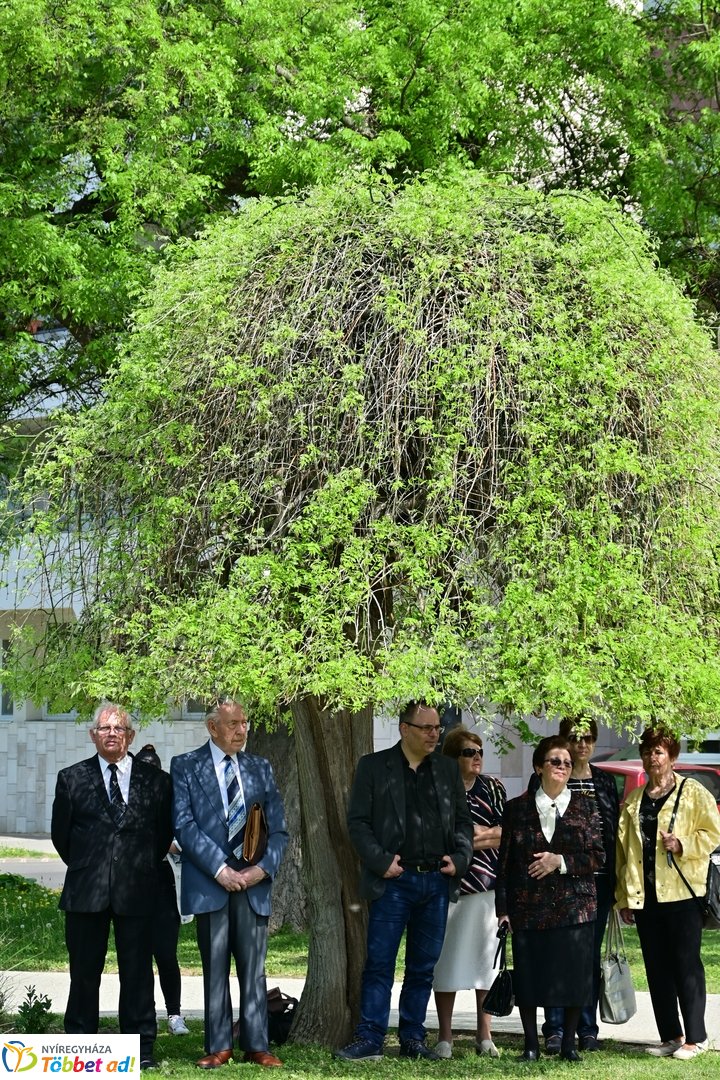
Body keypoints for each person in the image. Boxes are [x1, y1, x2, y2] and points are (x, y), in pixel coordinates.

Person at [334, 701, 473, 1063]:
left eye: (437, 728)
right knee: (380, 963)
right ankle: (370, 1038)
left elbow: (463, 823)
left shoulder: (446, 769)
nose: (434, 734)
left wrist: (459, 860)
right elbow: (358, 823)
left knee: (422, 968)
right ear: (404, 729)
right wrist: (382, 863)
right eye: (426, 728)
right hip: (393, 881)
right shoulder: (374, 767)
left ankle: (413, 1039)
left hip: (436, 883)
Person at [51, 703, 173, 1071]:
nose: (112, 733)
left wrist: (134, 866)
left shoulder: (157, 782)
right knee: (84, 973)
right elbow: (62, 838)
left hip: (137, 889)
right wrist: (93, 866)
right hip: (86, 891)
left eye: (119, 728)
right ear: (93, 735)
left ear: (131, 736)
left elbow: (162, 834)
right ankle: (80, 1043)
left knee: (136, 973)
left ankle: (140, 1047)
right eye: (105, 728)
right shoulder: (71, 777)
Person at [171, 699, 289, 1069]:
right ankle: (219, 1046)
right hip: (211, 883)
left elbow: (280, 830)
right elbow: (184, 825)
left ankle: (257, 1044)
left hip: (253, 886)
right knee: (215, 967)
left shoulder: (260, 767)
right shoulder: (186, 766)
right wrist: (221, 869)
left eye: (245, 723)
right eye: (233, 723)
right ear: (212, 727)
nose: (242, 730)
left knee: (254, 970)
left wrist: (261, 870)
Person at [496, 736, 604, 1062]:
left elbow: (598, 857)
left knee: (574, 977)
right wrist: (503, 911)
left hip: (575, 907)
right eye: (555, 761)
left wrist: (560, 862)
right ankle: (531, 1045)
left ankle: (569, 1044)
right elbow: (505, 864)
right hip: (529, 907)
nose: (561, 767)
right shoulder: (515, 808)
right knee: (529, 977)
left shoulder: (586, 807)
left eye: (567, 763)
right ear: (539, 766)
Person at [616, 726, 720, 1060]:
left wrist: (683, 843)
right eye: (647, 751)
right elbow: (624, 853)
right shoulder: (634, 799)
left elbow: (713, 834)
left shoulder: (693, 792)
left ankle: (696, 1037)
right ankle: (671, 1036)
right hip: (645, 896)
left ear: (672, 757)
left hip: (682, 894)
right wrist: (624, 898)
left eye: (659, 751)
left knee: (685, 964)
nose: (652, 757)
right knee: (656, 967)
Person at [532, 717, 619, 1054]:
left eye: (588, 738)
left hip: (596, 882)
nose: (582, 745)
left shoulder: (605, 782)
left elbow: (612, 838)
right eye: (575, 738)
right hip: (555, 884)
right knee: (556, 956)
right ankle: (553, 1028)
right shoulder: (549, 778)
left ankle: (586, 1027)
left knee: (586, 958)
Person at [432, 727, 506, 1059]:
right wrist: (473, 837)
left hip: (486, 888)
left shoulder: (493, 788)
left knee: (484, 965)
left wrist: (474, 837)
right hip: (449, 889)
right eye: (467, 752)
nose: (476, 757)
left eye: (479, 751)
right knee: (445, 964)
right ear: (452, 757)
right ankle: (445, 1037)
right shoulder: (438, 789)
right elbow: (437, 838)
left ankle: (484, 1034)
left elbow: (507, 835)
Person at [134, 744, 190, 1037]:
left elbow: (183, 844)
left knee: (166, 954)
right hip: (133, 888)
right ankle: (143, 1014)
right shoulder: (127, 801)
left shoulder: (171, 800)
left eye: (152, 772)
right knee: (138, 957)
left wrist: (162, 841)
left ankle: (174, 1014)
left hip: (164, 885)